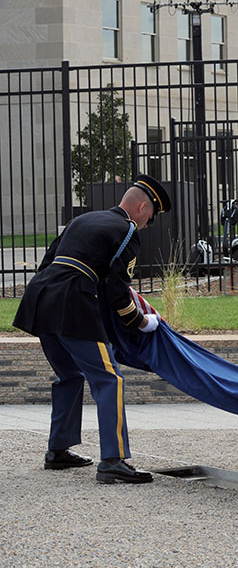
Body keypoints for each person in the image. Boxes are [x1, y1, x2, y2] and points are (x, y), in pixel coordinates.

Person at [14, 174, 171, 484]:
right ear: (141, 207)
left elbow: (49, 261)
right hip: (73, 304)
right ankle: (113, 460)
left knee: (70, 375)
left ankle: (58, 451)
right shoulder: (126, 230)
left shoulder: (83, 219)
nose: (146, 224)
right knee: (109, 379)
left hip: (41, 299)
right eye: (150, 218)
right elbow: (116, 289)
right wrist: (141, 321)